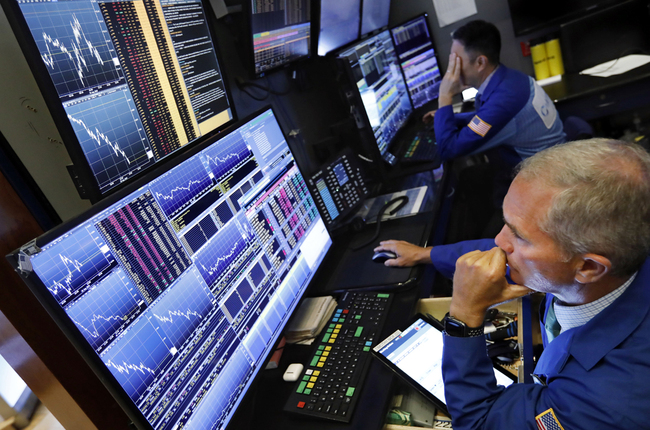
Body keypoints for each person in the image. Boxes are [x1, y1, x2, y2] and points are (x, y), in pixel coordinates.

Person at [393, 139, 650, 429]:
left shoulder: (601, 403)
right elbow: (508, 247)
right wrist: (427, 254)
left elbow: (481, 422)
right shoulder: (618, 244)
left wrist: (464, 316)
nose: (500, 242)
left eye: (519, 236)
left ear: (588, 267)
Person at [426, 19, 566, 240]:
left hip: (540, 189)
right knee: (469, 178)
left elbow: (448, 148)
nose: (451, 68)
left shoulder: (503, 103)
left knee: (482, 229)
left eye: (456, 60)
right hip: (544, 168)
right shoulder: (509, 80)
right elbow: (488, 118)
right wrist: (449, 116)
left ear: (480, 62)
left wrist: (444, 97)